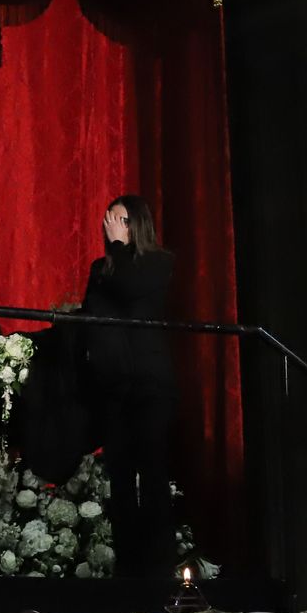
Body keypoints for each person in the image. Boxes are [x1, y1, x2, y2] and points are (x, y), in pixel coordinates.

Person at [80, 195, 177, 578]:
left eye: (119, 220)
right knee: (120, 479)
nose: (111, 228)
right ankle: (129, 568)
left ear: (136, 224)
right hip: (116, 387)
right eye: (108, 222)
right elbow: (95, 311)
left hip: (151, 386)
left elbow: (132, 289)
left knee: (152, 474)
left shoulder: (158, 262)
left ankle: (161, 569)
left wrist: (119, 247)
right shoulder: (100, 268)